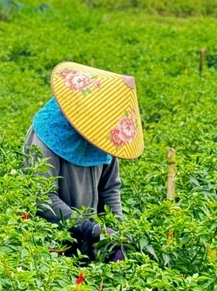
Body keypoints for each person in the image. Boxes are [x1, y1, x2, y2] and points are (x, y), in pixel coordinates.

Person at [23, 62, 144, 261]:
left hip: (87, 244)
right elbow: (42, 199)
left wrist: (117, 235)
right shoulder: (45, 135)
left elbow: (109, 189)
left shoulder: (104, 134)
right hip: (49, 245)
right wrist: (90, 228)